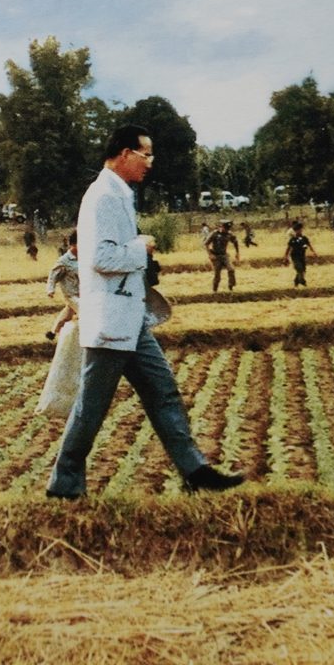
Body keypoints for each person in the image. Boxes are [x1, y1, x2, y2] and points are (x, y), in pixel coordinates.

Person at [46, 124, 243, 500]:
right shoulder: (103, 196)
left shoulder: (118, 193)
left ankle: (194, 471)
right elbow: (100, 257)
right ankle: (64, 484)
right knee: (91, 406)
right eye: (146, 154)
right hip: (110, 321)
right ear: (124, 154)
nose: (150, 162)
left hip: (129, 319)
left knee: (163, 391)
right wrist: (142, 248)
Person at [45, 231, 79, 341]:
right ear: (73, 244)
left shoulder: (85, 258)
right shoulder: (64, 261)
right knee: (85, 311)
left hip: (83, 293)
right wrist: (50, 289)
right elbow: (53, 275)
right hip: (71, 294)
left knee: (67, 314)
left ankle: (52, 332)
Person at [204, 220, 240, 292]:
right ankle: (215, 289)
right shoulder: (214, 234)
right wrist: (210, 254)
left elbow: (235, 242)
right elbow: (206, 244)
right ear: (221, 226)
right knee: (217, 274)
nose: (226, 230)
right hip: (216, 256)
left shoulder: (229, 234)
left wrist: (237, 253)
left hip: (224, 255)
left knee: (231, 269)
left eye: (227, 229)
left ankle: (231, 286)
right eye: (225, 228)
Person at [284, 221, 316, 287]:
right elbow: (288, 248)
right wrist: (286, 257)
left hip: (302, 256)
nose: (300, 231)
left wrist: (313, 252)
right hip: (295, 256)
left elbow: (309, 245)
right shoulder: (293, 239)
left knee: (303, 270)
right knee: (299, 268)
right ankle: (302, 281)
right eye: (298, 230)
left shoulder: (304, 238)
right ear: (295, 231)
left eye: (300, 230)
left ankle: (296, 281)